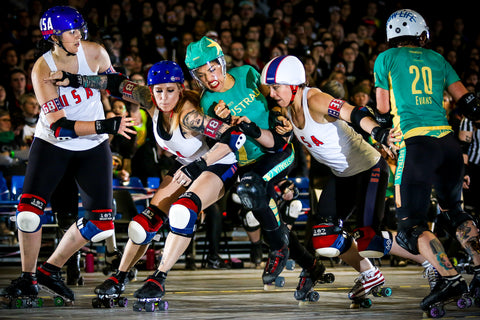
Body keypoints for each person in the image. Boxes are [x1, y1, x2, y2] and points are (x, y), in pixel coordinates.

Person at [50, 60, 245, 304]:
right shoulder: (149, 98)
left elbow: (235, 137)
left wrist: (199, 164)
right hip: (188, 163)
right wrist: (74, 79)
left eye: (170, 90)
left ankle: (158, 277)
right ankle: (120, 276)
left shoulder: (190, 116)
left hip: (219, 163)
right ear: (151, 90)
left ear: (181, 89)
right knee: (144, 223)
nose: (163, 97)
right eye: (158, 90)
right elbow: (114, 83)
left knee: (183, 212)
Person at [258, 54, 439, 303]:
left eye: (275, 87)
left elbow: (351, 112)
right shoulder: (287, 110)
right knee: (325, 237)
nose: (271, 93)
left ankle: (434, 264)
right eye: (269, 88)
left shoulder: (315, 99)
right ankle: (369, 273)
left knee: (369, 237)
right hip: (343, 176)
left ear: (293, 84)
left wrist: (377, 132)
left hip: (369, 169)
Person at [0, 6, 135, 305]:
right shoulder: (42, 69)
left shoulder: (96, 53)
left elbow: (112, 85)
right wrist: (106, 124)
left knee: (102, 224)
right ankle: (27, 277)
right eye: (72, 32)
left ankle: (49, 270)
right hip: (53, 144)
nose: (79, 36)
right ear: (54, 37)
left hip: (93, 146)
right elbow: (60, 127)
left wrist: (132, 91)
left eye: (80, 29)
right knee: (27, 213)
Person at [374, 9, 480, 312]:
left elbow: (382, 109)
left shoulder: (386, 58)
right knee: (455, 212)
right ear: (423, 35)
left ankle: (449, 277)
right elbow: (467, 102)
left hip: (416, 144)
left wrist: (382, 126)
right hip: (447, 144)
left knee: (411, 226)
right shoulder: (438, 59)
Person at [185, 36, 296, 287]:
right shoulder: (207, 102)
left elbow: (274, 101)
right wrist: (221, 123)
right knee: (254, 197)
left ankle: (277, 251)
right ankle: (305, 261)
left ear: (222, 62)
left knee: (253, 190)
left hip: (276, 149)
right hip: (248, 163)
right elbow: (222, 145)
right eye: (201, 75)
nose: (209, 78)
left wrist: (280, 118)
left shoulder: (247, 73)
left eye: (212, 69)